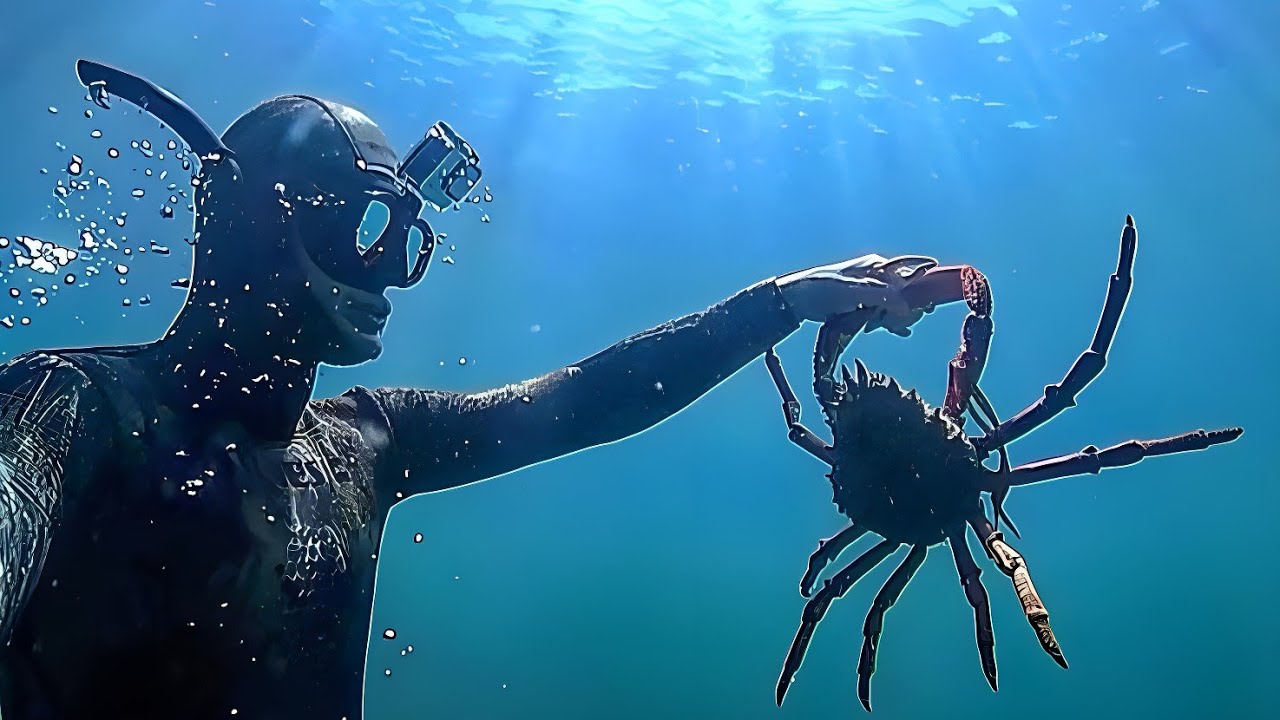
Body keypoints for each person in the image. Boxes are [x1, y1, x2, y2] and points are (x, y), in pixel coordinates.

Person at [0, 61, 968, 720]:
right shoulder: (74, 405)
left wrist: (786, 300)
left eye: (407, 239)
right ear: (250, 223)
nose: (390, 272)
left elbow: (589, 398)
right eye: (364, 228)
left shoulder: (366, 442)